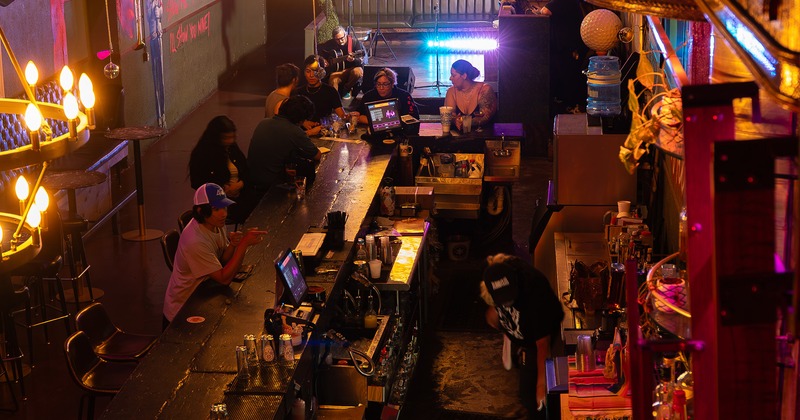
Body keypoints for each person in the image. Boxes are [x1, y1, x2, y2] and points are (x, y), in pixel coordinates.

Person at [163, 183, 265, 329]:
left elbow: (222, 259)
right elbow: (224, 279)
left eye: (224, 207)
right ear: (200, 211)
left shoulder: (216, 224)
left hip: (204, 295)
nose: (223, 213)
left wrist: (233, 245)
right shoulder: (195, 241)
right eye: (216, 209)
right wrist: (244, 244)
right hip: (182, 312)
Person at [480, 253, 564, 419]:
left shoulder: (534, 292)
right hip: (523, 335)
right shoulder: (495, 272)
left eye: (509, 298)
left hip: (542, 337)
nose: (506, 303)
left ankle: (534, 412)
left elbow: (542, 343)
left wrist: (541, 384)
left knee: (535, 392)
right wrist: (494, 311)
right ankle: (527, 408)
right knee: (526, 389)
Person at [248, 95, 322, 193]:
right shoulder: (294, 130)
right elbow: (317, 155)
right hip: (271, 186)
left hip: (251, 179)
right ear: (301, 119)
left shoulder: (263, 122)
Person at [188, 115, 254, 224]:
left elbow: (246, 170)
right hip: (218, 203)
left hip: (241, 194)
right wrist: (221, 190)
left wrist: (240, 184)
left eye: (232, 137)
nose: (230, 141)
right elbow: (197, 182)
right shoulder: (202, 154)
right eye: (226, 138)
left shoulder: (232, 148)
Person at [539, 0, 591, 115]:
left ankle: (572, 108)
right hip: (570, 47)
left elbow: (545, 11)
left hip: (568, 48)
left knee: (568, 78)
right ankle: (570, 107)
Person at [293, 55, 346, 136]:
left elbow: (342, 116)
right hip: (302, 135)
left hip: (324, 134)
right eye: (308, 71)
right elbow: (289, 117)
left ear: (322, 72)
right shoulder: (298, 92)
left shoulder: (330, 91)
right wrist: (303, 122)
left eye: (316, 71)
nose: (311, 75)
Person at [358, 67, 420, 135]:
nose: (381, 88)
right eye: (378, 84)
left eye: (385, 84)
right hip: (376, 134)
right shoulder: (369, 96)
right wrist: (379, 122)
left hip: (400, 133)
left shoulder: (404, 96)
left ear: (392, 83)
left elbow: (414, 118)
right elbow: (358, 116)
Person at [444, 59, 498, 132]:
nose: (450, 78)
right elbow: (449, 115)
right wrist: (455, 120)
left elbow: (485, 117)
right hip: (459, 138)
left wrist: (465, 122)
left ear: (464, 76)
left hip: (483, 136)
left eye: (453, 75)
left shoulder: (484, 90)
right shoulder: (451, 91)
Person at [318, 26, 367, 99]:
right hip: (338, 72)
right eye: (337, 39)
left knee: (358, 72)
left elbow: (361, 61)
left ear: (346, 34)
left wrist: (354, 60)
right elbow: (319, 48)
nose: (340, 41)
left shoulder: (355, 43)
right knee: (333, 79)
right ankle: (335, 102)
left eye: (342, 38)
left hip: (351, 70)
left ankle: (346, 89)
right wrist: (323, 59)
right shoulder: (331, 44)